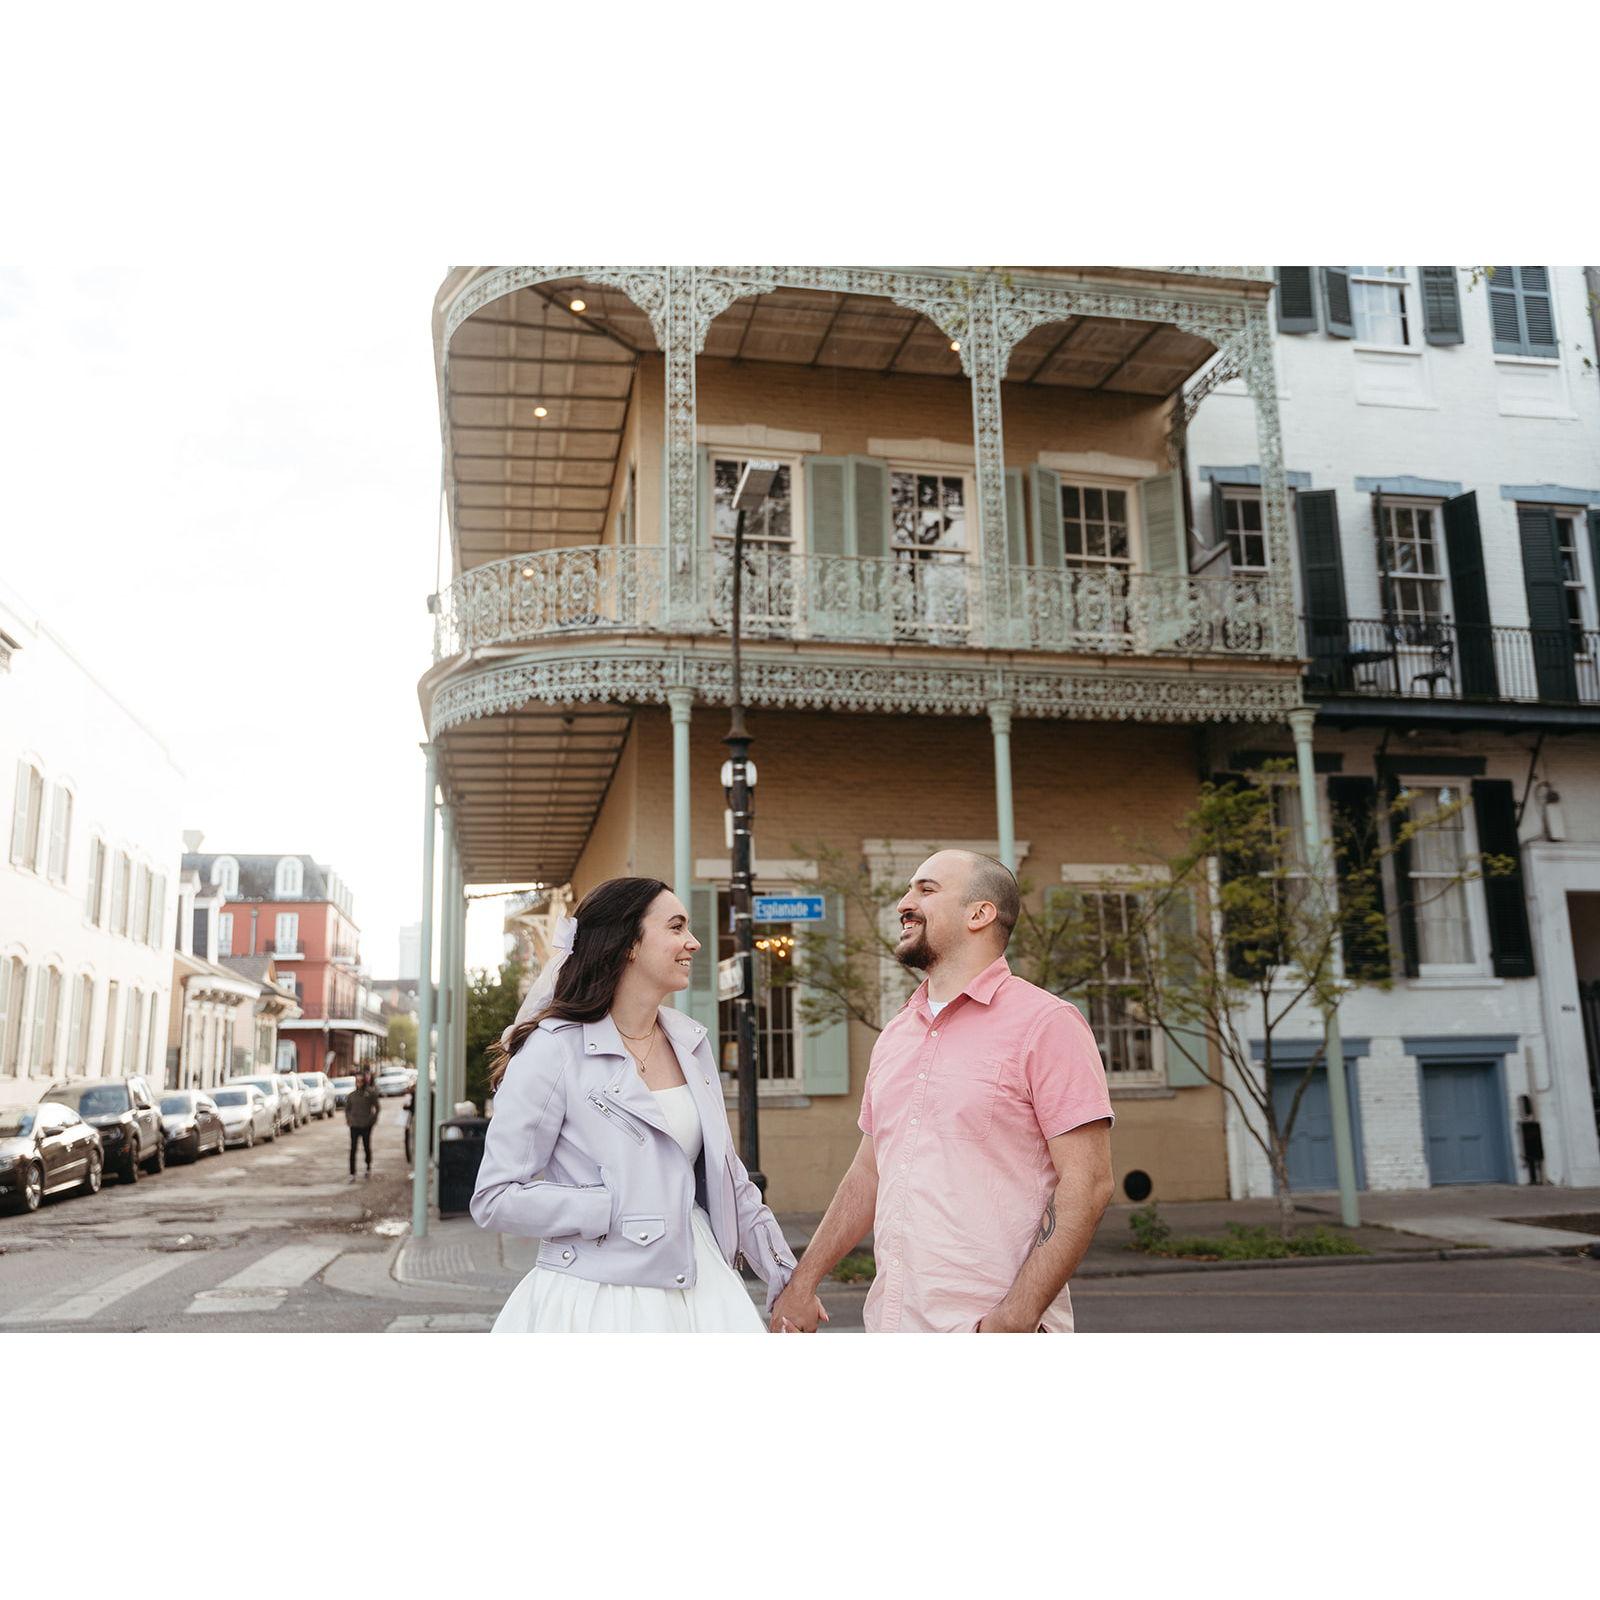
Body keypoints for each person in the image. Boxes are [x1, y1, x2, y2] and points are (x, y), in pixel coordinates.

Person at [769, 849, 1114, 1333]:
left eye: (926, 890)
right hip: (893, 1323)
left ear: (980, 913)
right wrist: (802, 1283)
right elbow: (869, 1173)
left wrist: (1014, 1319)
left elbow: (1089, 1184)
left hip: (989, 1328)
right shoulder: (896, 1035)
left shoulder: (1048, 1024)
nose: (903, 904)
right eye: (910, 889)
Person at [472, 876, 821, 1334]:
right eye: (676, 927)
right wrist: (609, 1208)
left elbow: (728, 1177)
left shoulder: (690, 1042)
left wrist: (787, 1279)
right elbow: (494, 1198)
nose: (693, 943)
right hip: (597, 1301)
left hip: (703, 1283)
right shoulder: (553, 1051)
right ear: (627, 944)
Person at [345, 1069, 380, 1181]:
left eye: (361, 1081)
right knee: (353, 1149)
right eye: (357, 1081)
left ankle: (368, 1168)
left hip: (366, 1125)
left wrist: (372, 1120)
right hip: (354, 1126)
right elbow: (347, 1110)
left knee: (366, 1147)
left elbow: (377, 1108)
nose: (359, 1083)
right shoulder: (352, 1095)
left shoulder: (370, 1093)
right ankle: (352, 1173)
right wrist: (349, 1120)